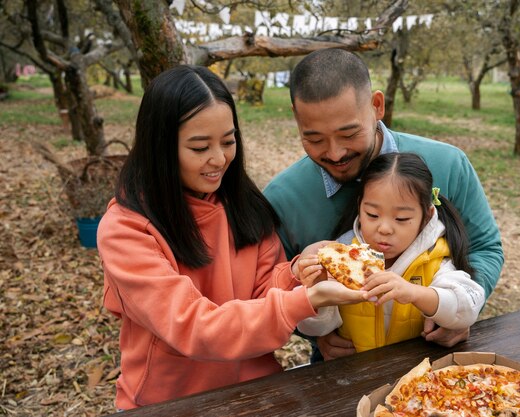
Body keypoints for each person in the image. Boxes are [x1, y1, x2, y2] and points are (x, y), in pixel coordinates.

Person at [96, 65, 364, 410]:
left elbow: (265, 289)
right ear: (159, 147)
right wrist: (304, 301)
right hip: (169, 403)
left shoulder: (244, 206)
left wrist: (301, 272)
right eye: (199, 147)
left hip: (257, 394)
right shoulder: (126, 230)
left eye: (228, 141)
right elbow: (194, 327)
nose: (219, 159)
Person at [263, 48, 504, 358]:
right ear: (296, 118)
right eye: (315, 139)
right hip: (340, 372)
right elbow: (270, 285)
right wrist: (310, 331)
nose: (335, 153)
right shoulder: (283, 197)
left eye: (348, 133)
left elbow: (485, 248)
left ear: (377, 106)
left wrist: (457, 312)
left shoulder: (448, 164)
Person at [296, 152, 485, 352]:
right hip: (354, 376)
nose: (384, 228)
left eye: (401, 218)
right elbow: (315, 328)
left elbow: (467, 308)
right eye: (372, 215)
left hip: (416, 375)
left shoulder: (435, 258)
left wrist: (414, 293)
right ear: (359, 206)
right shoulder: (343, 258)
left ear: (426, 216)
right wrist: (315, 294)